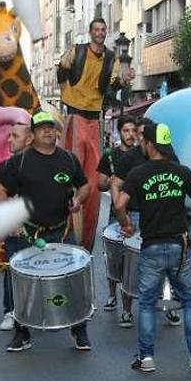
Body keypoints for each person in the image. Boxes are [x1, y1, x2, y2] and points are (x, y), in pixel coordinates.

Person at [114, 122, 191, 372]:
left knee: (146, 303)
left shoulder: (138, 173)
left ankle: (146, 358)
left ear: (149, 144)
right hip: (180, 246)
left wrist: (125, 225)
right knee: (190, 300)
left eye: (143, 141)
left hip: (152, 246)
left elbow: (119, 204)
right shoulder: (183, 172)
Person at [0, 112, 92, 352]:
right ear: (32, 135)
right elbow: (0, 189)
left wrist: (79, 200)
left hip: (61, 231)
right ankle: (22, 334)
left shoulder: (68, 159)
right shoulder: (19, 162)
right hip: (28, 233)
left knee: (74, 279)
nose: (48, 132)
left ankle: (79, 331)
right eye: (42, 128)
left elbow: (85, 185)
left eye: (51, 127)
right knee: (21, 284)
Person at [57, 17, 132, 252]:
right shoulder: (77, 51)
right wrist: (63, 66)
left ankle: (86, 239)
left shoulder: (110, 58)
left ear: (105, 32)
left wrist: (124, 80)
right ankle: (64, 230)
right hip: (76, 114)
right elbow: (62, 74)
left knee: (93, 178)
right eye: (96, 29)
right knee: (73, 173)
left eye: (103, 29)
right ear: (90, 33)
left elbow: (112, 86)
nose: (100, 33)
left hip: (95, 117)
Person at [0, 121, 33, 332]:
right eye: (9, 135)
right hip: (15, 230)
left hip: (41, 229)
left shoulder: (41, 164)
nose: (9, 140)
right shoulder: (6, 166)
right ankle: (10, 310)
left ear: (28, 139)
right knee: (13, 268)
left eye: (14, 136)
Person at [98, 115, 137, 322]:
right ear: (119, 132)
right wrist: (110, 182)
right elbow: (99, 184)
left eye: (133, 130)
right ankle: (112, 295)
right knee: (114, 258)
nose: (130, 135)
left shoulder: (143, 154)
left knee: (133, 261)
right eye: (126, 131)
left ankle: (128, 308)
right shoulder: (110, 156)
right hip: (116, 214)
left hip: (139, 213)